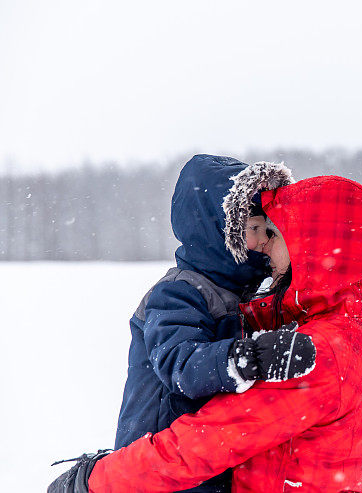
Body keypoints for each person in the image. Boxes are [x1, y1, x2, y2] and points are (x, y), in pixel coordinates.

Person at [52, 174, 362, 493]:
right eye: (257, 230)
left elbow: (204, 443)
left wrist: (96, 480)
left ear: (311, 246)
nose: (265, 247)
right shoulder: (347, 328)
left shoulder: (319, 349)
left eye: (275, 234)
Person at [111, 154, 317, 493]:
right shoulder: (178, 292)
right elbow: (182, 365)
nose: (264, 240)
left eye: (268, 229)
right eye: (253, 229)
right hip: (159, 466)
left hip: (200, 463)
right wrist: (245, 358)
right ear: (219, 234)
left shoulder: (240, 295)